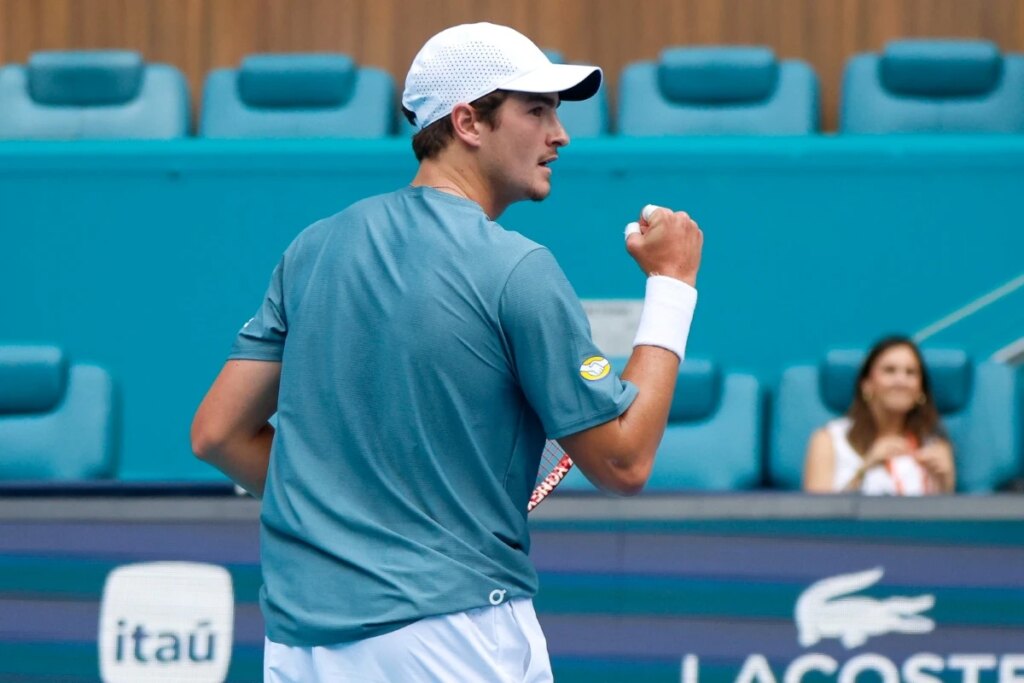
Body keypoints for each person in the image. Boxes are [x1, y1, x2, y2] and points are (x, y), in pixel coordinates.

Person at [191, 21, 702, 682]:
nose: (560, 134)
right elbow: (624, 461)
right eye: (536, 111)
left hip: (300, 645)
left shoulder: (312, 248)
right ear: (467, 122)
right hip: (453, 635)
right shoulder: (518, 268)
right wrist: (672, 284)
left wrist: (348, 515)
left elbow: (218, 434)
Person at [803, 335, 956, 495]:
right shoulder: (829, 440)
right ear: (866, 385)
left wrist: (944, 484)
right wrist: (865, 469)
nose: (901, 381)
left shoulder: (935, 446)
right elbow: (815, 509)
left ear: (921, 390)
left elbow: (946, 510)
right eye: (889, 370)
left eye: (910, 373)